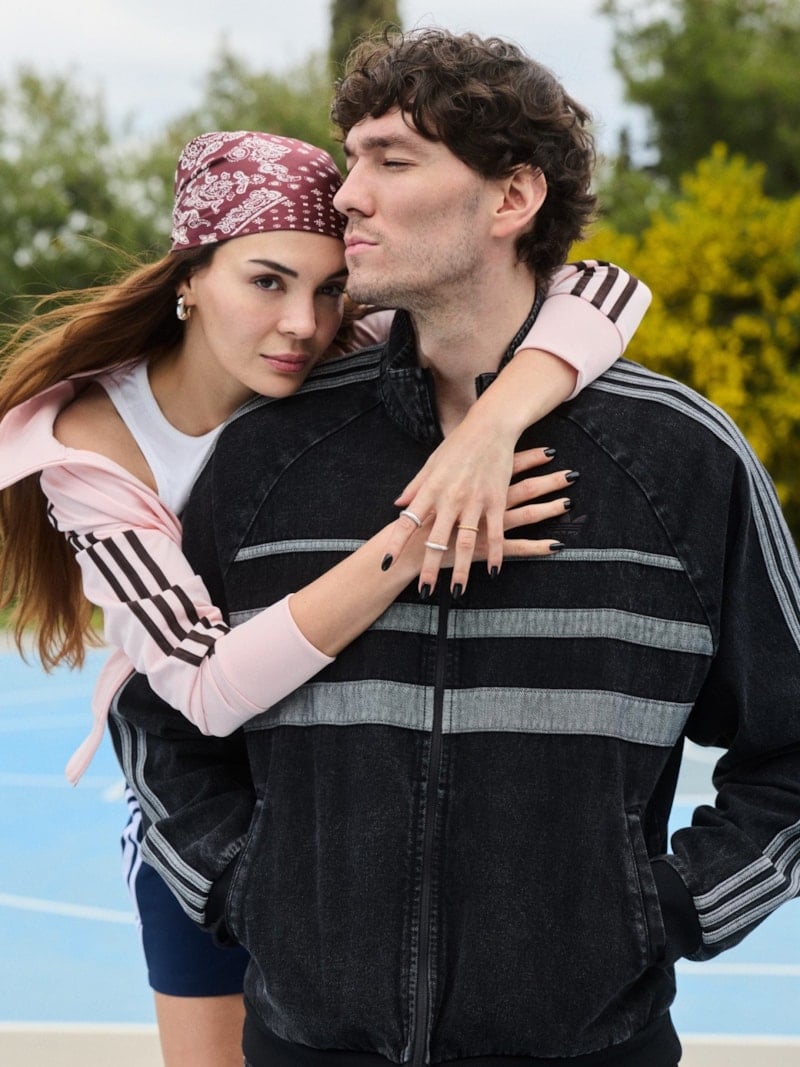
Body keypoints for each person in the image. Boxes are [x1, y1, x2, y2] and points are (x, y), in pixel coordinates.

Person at [111, 30, 800, 1067]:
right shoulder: (268, 454)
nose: (347, 195)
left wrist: (664, 910)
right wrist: (244, 886)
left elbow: (790, 747)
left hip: (589, 1048)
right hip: (309, 1044)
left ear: (511, 197)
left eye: (391, 160)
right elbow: (159, 716)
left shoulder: (677, 461)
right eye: (350, 159)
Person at [0, 127, 650, 1067]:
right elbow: (206, 685)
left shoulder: (356, 344)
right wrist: (423, 533)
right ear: (191, 277)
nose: (303, 324)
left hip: (343, 807)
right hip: (204, 814)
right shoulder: (96, 448)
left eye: (330, 287)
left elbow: (606, 289)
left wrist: (488, 433)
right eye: (267, 281)